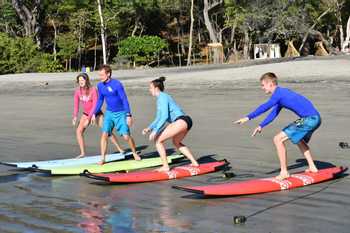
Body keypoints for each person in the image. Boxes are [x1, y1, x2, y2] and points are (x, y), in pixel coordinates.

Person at [234, 72, 321, 180]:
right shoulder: (281, 94)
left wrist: (248, 117)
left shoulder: (278, 94)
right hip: (315, 118)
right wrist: (261, 125)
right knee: (298, 139)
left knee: (277, 139)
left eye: (263, 85)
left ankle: (284, 172)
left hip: (310, 119)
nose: (262, 88)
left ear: (270, 84)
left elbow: (265, 106)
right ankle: (312, 166)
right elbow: (274, 112)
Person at [142, 77, 198, 171]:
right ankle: (194, 162)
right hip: (186, 121)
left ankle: (165, 166)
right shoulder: (161, 98)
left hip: (180, 121)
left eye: (150, 87)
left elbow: (164, 117)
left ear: (156, 88)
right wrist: (150, 128)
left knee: (158, 141)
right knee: (176, 142)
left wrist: (155, 131)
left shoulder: (162, 97)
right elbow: (158, 118)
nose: (149, 90)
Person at [93, 65, 141, 164]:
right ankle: (102, 158)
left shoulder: (117, 84)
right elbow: (100, 100)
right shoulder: (100, 86)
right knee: (104, 134)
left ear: (108, 74)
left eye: (102, 75)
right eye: (99, 75)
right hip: (109, 113)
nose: (100, 77)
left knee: (126, 136)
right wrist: (94, 113)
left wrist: (128, 115)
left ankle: (134, 152)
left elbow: (124, 99)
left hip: (121, 113)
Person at [72, 73, 125, 158]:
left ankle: (120, 149)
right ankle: (82, 153)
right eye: (79, 80)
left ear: (86, 80)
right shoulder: (78, 91)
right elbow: (76, 104)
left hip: (96, 113)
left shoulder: (93, 90)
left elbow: (95, 104)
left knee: (107, 131)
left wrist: (90, 118)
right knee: (79, 131)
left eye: (82, 80)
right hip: (85, 114)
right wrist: (75, 116)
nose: (81, 82)